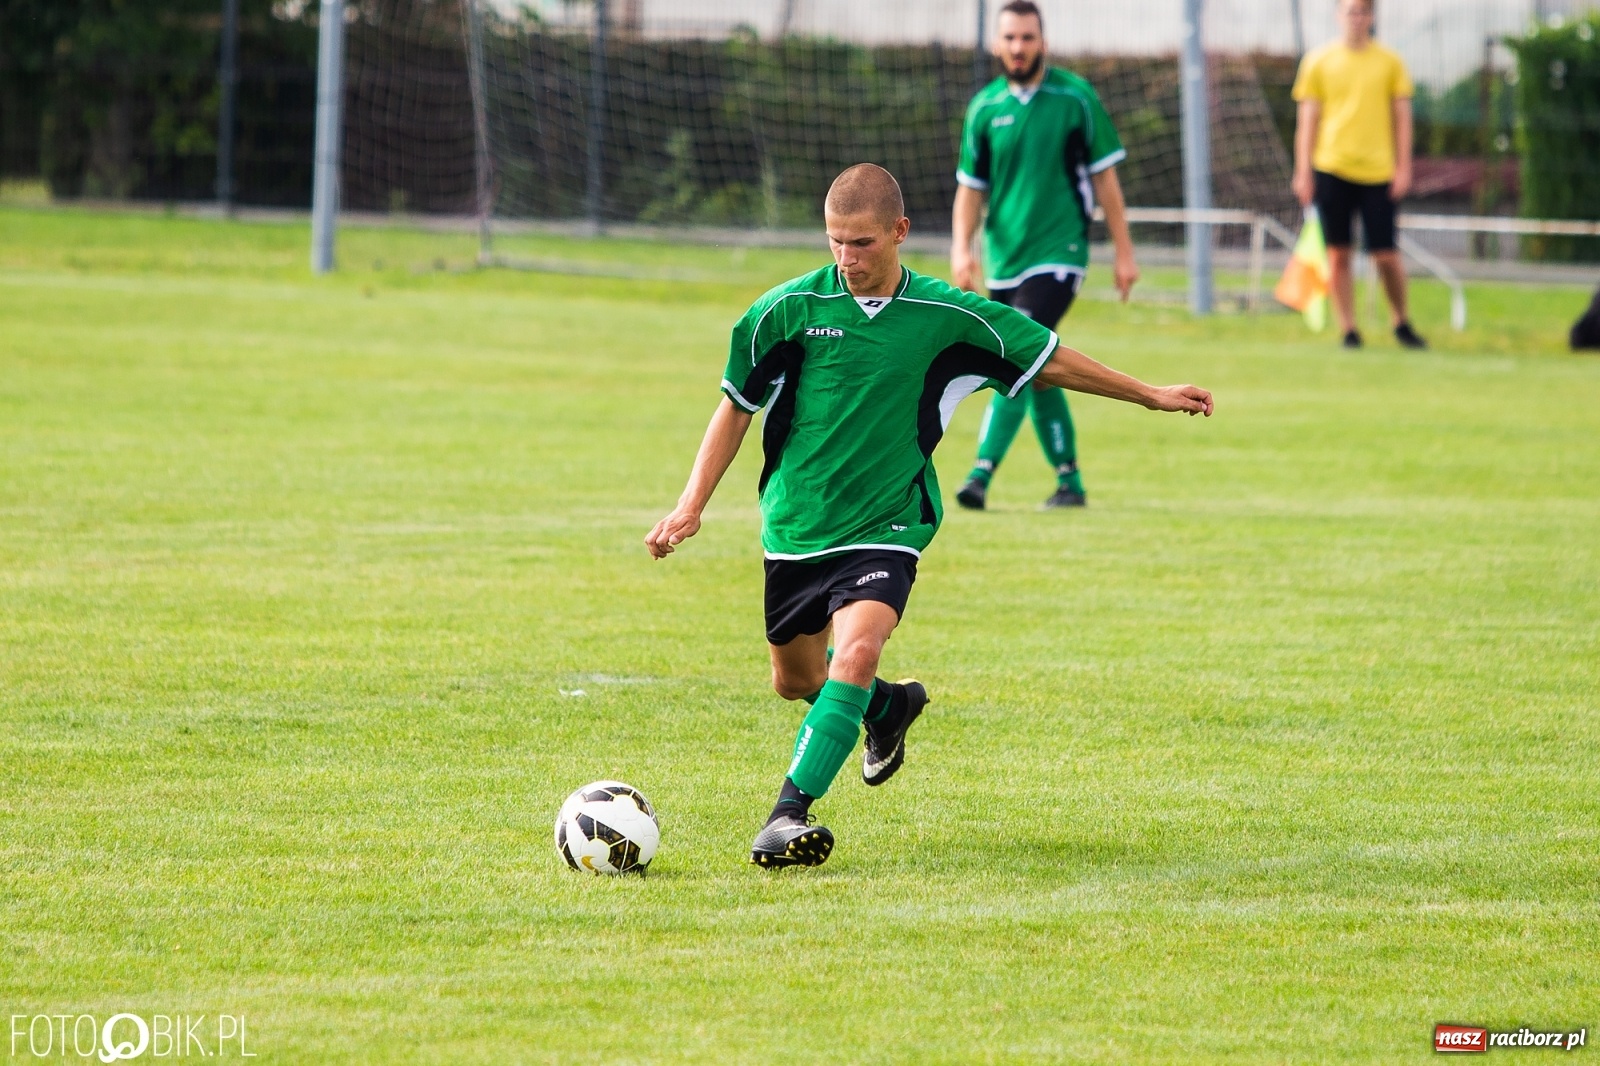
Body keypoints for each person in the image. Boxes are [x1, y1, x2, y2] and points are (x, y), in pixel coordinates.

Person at [644, 163, 1213, 870]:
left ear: (900, 233)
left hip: (890, 523)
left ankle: (787, 814)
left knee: (856, 650)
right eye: (835, 243)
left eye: (862, 243)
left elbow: (1052, 358)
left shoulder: (951, 318)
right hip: (796, 525)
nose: (847, 259)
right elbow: (735, 407)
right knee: (795, 680)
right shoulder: (783, 313)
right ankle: (887, 708)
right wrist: (689, 505)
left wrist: (1150, 393)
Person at [950, 0, 1140, 511]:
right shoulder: (985, 108)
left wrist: (1124, 252)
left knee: (1015, 356)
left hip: (1061, 253)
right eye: (1009, 38)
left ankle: (979, 475)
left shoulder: (1075, 98)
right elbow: (971, 189)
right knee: (1040, 363)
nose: (1018, 47)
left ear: (1043, 41)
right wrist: (961, 250)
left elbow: (1106, 180)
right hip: (1004, 258)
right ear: (997, 44)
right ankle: (1069, 481)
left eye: (1027, 38)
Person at [1292, 0, 1427, 350]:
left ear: (1372, 17)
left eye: (1363, 12)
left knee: (1385, 254)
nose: (1357, 18)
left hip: (1378, 172)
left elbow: (1402, 118)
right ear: (1339, 16)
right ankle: (1348, 329)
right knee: (1339, 253)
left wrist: (1404, 167)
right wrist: (1303, 171)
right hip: (1332, 167)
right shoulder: (1318, 61)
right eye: (1351, 11)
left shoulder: (1390, 62)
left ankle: (1401, 320)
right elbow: (1308, 121)